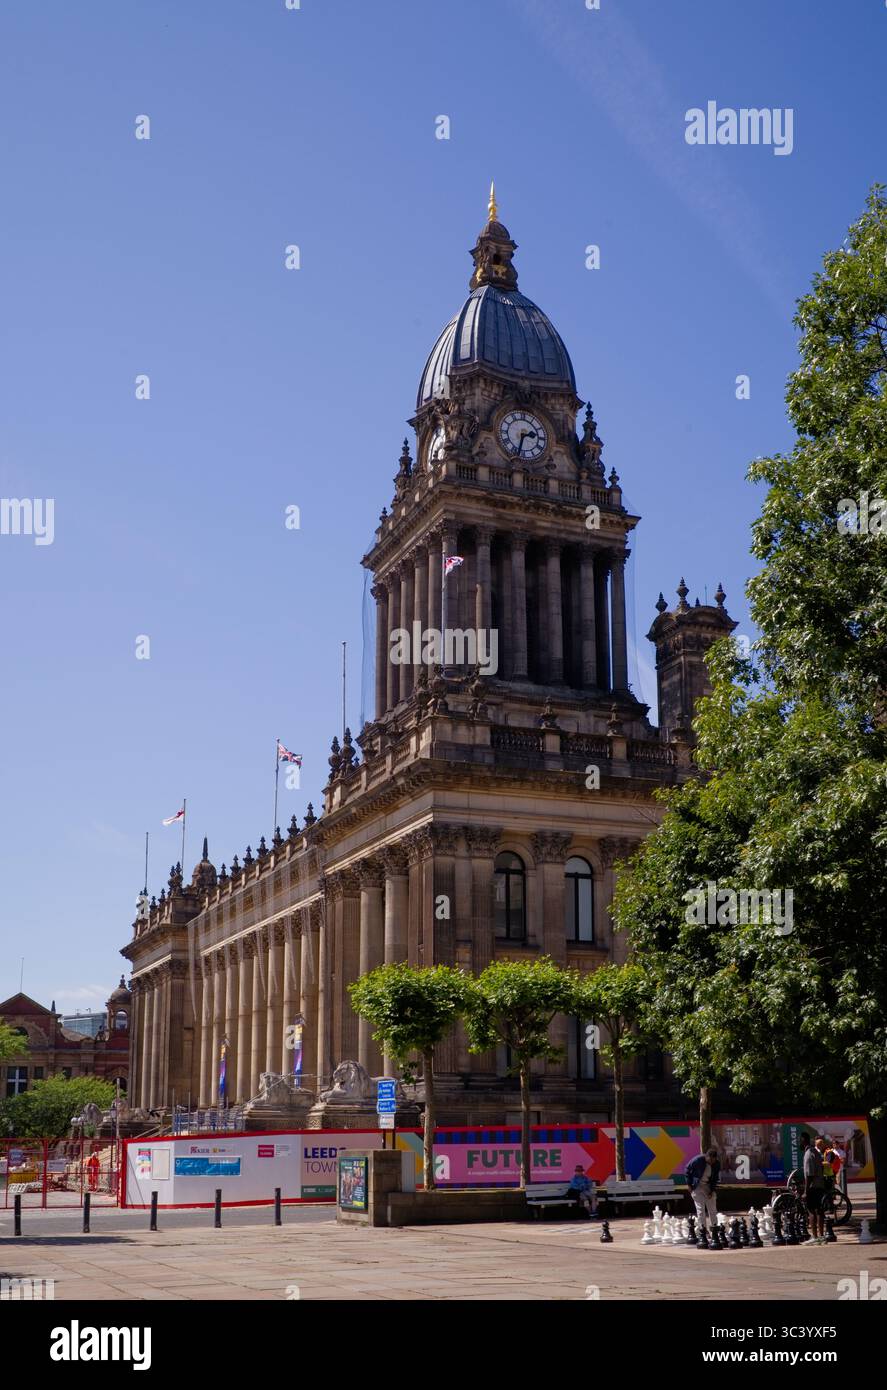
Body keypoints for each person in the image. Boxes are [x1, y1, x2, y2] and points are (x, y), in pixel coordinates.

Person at [686, 1145, 721, 1236]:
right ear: (707, 1156)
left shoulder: (716, 1164)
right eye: (711, 1160)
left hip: (708, 1186)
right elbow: (687, 1170)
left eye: (714, 1160)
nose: (712, 1163)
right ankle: (703, 1231)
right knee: (700, 1210)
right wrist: (689, 1184)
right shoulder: (697, 1160)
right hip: (697, 1186)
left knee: (712, 1209)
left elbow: (715, 1179)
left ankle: (714, 1229)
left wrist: (711, 1191)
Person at [801, 1132, 826, 1244]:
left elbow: (809, 1175)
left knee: (811, 1211)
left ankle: (815, 1237)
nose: (799, 1144)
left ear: (804, 1140)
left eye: (799, 1141)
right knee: (820, 1211)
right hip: (820, 1185)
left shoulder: (808, 1153)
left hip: (812, 1186)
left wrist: (805, 1192)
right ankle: (822, 1237)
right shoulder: (816, 1152)